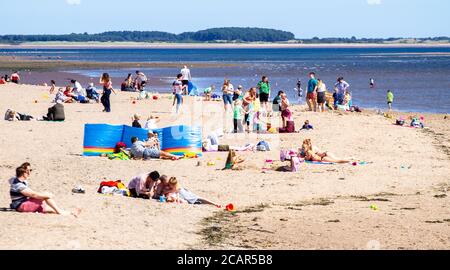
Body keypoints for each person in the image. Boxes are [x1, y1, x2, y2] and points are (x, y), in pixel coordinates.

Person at [9, 164, 80, 216]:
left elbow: (12, 178)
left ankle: (71, 213)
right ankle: (60, 212)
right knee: (45, 196)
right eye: (29, 171)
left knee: (49, 208)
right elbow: (34, 195)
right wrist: (47, 195)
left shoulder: (15, 179)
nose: (30, 173)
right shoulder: (19, 185)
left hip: (25, 203)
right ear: (24, 173)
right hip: (21, 206)